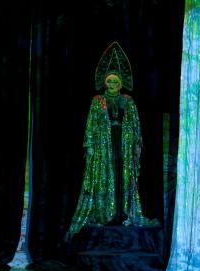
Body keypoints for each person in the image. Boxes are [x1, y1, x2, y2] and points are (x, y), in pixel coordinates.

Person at [66, 42, 154, 238]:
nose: (112, 85)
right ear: (105, 83)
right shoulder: (97, 101)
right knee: (105, 175)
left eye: (115, 82)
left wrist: (137, 144)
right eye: (109, 82)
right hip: (104, 145)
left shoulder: (128, 101)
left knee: (123, 175)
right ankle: (105, 212)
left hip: (123, 143)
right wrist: (89, 144)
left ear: (120, 84)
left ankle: (123, 212)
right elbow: (91, 123)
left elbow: (136, 124)